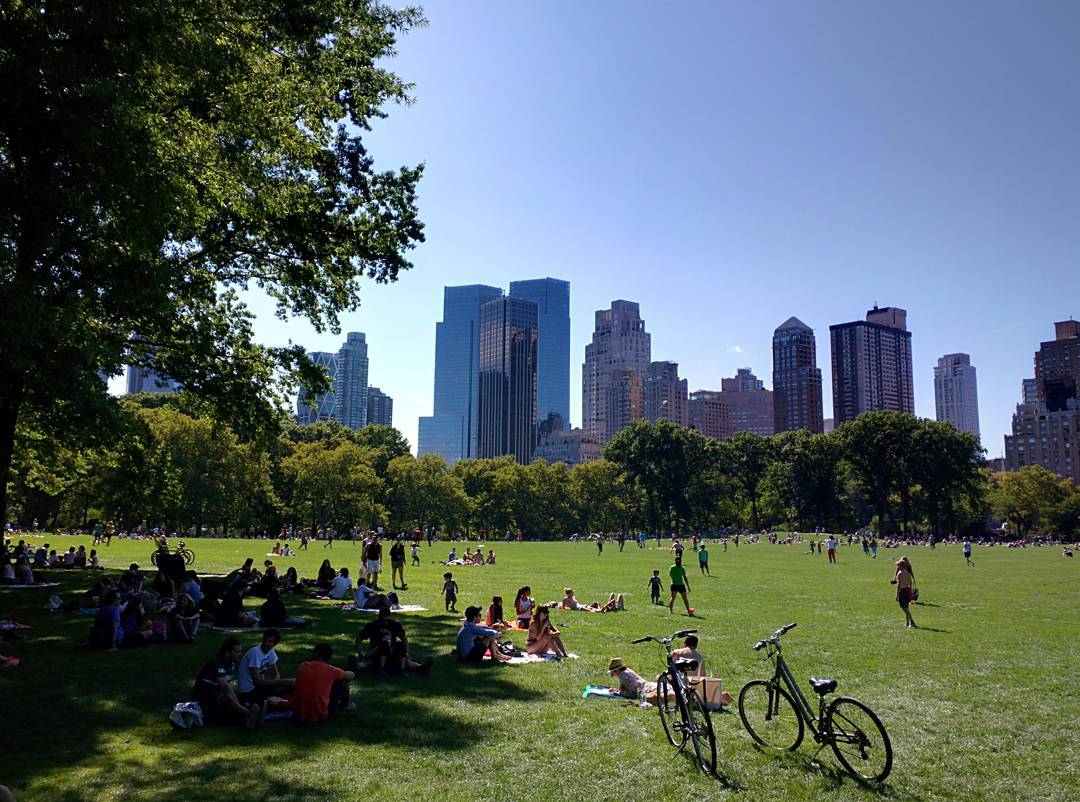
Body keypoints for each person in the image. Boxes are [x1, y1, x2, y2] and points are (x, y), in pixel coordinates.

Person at [192, 638, 263, 727]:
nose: (240, 654)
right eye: (237, 652)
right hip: (204, 699)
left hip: (216, 695)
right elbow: (225, 687)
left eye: (240, 651)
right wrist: (241, 708)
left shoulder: (231, 664)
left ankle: (250, 716)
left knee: (232, 696)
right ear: (227, 652)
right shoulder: (216, 663)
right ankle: (247, 714)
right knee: (227, 696)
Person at [354, 607, 433, 677]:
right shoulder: (372, 625)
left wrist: (406, 652)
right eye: (383, 620)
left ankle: (415, 668)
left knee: (401, 649)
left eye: (387, 620)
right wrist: (360, 653)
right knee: (369, 661)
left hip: (392, 651)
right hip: (377, 652)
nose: (385, 622)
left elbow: (404, 639)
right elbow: (359, 639)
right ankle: (359, 666)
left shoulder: (395, 625)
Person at [287, 643, 355, 722]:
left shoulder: (302, 666)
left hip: (298, 714)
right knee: (339, 682)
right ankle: (344, 705)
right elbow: (351, 675)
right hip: (319, 715)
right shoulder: (331, 670)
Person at [237, 629, 293, 705]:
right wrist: (282, 682)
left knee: (290, 687)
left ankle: (271, 702)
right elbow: (257, 682)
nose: (266, 643)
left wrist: (275, 686)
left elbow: (275, 674)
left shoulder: (271, 650)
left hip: (258, 689)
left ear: (275, 644)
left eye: (270, 641)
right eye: (264, 640)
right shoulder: (255, 652)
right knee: (286, 685)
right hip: (248, 692)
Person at [892, 558, 917, 628]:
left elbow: (898, 585)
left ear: (901, 566)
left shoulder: (900, 574)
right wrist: (910, 591)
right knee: (906, 607)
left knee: (904, 608)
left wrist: (897, 595)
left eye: (898, 565)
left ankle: (912, 622)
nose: (897, 566)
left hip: (902, 591)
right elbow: (910, 583)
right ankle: (907, 622)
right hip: (907, 590)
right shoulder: (907, 573)